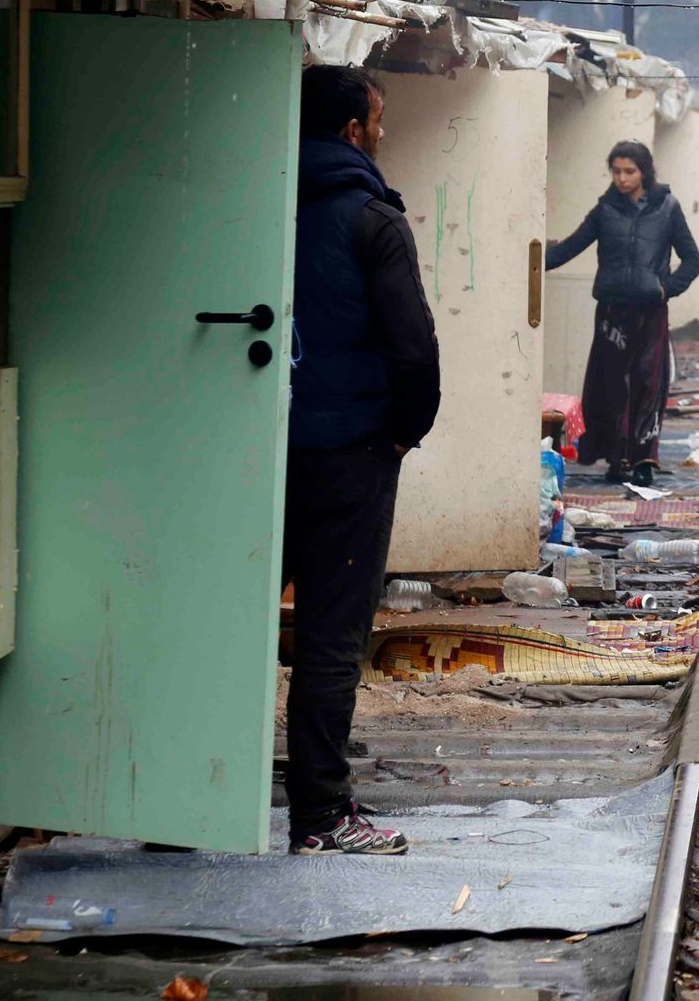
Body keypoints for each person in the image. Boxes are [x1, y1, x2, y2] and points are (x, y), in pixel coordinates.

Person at [287, 65, 441, 855]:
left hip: (243, 455)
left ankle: (191, 800)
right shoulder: (371, 218)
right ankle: (319, 815)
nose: (380, 132)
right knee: (329, 634)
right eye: (377, 119)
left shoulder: (253, 200)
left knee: (217, 625)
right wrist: (402, 433)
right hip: (348, 457)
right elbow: (414, 349)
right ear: (354, 130)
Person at [545, 141, 699, 485]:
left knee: (649, 383)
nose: (621, 178)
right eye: (616, 171)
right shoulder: (605, 210)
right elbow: (571, 246)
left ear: (644, 172)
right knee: (612, 384)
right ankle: (617, 459)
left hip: (651, 311)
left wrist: (666, 289)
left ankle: (643, 461)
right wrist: (529, 261)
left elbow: (692, 260)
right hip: (612, 311)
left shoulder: (668, 208)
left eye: (628, 171)